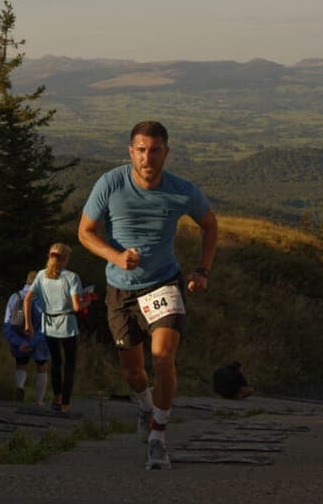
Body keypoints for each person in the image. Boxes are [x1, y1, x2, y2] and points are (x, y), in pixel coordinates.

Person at [77, 121, 218, 470]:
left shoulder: (181, 190)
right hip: (120, 290)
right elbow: (85, 232)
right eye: (140, 150)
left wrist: (202, 269)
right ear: (130, 151)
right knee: (133, 372)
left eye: (154, 150)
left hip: (163, 283)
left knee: (163, 358)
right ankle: (145, 404)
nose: (147, 157)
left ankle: (158, 436)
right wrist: (115, 256)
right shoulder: (110, 183)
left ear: (165, 152)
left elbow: (210, 224)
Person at [23, 243, 91, 414]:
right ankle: (66, 405)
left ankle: (57, 398)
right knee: (69, 364)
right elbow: (76, 307)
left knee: (55, 363)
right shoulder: (71, 277)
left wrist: (28, 324)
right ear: (66, 258)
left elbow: (27, 299)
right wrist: (88, 300)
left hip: (48, 324)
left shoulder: (40, 275)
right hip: (67, 324)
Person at [3, 271, 50, 403]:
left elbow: (8, 325)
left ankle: (20, 386)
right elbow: (46, 327)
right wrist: (33, 343)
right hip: (38, 339)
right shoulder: (44, 299)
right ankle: (39, 401)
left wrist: (19, 343)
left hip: (19, 335)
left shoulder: (15, 297)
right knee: (42, 366)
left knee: (21, 364)